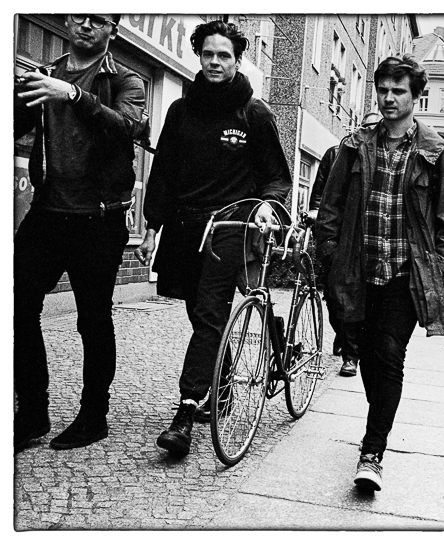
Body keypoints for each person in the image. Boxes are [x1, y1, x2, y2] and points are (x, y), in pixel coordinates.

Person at [134, 20, 292, 458]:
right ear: (198, 56)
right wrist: (151, 227)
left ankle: (185, 412)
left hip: (230, 228)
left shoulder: (255, 114)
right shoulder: (181, 111)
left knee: (208, 313)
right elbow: (163, 173)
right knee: (200, 313)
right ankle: (219, 388)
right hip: (185, 229)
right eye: (208, 54)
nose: (215, 62)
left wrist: (267, 205)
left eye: (224, 55)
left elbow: (276, 176)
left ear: (237, 60)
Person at [316, 55, 444, 492]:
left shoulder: (437, 153)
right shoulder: (354, 146)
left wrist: (440, 278)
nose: (388, 98)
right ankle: (379, 417)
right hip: (356, 271)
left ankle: (372, 452)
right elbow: (331, 206)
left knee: (388, 354)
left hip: (406, 276)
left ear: (416, 96)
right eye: (383, 89)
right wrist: (329, 255)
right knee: (366, 354)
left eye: (398, 90)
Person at [13, 14, 148, 453]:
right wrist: (18, 97)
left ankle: (94, 416)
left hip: (99, 218)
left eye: (98, 19)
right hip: (47, 212)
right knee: (18, 308)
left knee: (92, 318)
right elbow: (14, 127)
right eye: (78, 15)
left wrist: (72, 94)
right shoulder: (44, 74)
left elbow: (126, 127)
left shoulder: (125, 81)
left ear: (114, 30)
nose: (85, 25)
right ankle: (32, 413)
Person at [307, 112, 381, 377]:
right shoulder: (335, 153)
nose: (371, 132)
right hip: (338, 237)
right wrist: (323, 235)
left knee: (356, 299)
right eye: (367, 127)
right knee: (333, 298)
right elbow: (320, 194)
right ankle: (342, 334)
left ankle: (351, 355)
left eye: (376, 127)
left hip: (364, 238)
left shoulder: (381, 157)